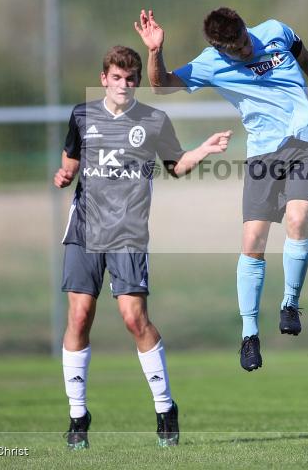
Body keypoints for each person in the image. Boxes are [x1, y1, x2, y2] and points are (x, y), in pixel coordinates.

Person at [134, 7, 308, 372]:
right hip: (262, 154)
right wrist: (155, 51)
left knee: (297, 220)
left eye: (243, 41)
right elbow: (161, 86)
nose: (243, 50)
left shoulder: (275, 31)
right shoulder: (210, 63)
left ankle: (289, 304)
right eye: (235, 49)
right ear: (220, 49)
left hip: (304, 144)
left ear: (244, 29)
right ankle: (250, 335)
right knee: (253, 241)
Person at [54, 45, 231, 450]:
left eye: (131, 79)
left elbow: (176, 166)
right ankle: (78, 416)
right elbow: (69, 163)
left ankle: (165, 408)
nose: (124, 85)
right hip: (83, 229)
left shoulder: (153, 120)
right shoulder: (82, 115)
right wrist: (63, 176)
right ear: (104, 78)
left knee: (134, 319)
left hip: (128, 233)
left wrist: (202, 150)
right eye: (116, 77)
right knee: (79, 317)